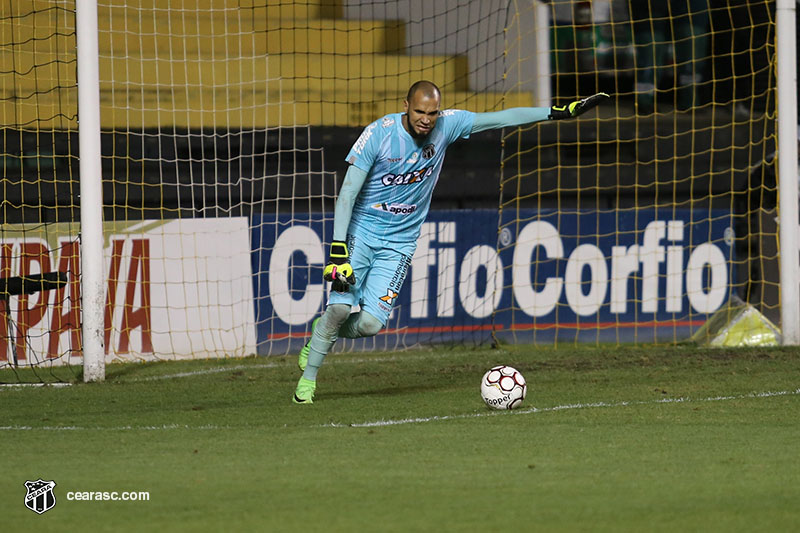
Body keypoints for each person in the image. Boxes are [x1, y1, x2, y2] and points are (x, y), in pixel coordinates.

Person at [293, 81, 608, 404]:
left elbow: (501, 118)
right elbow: (347, 194)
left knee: (371, 324)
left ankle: (323, 330)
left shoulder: (448, 125)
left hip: (400, 242)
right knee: (341, 307)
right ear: (405, 105)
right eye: (419, 111)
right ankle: (308, 381)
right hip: (362, 234)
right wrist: (338, 248)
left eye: (432, 113)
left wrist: (556, 113)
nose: (426, 119)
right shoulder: (379, 134)